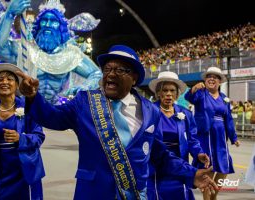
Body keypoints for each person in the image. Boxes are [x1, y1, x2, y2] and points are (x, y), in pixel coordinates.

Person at [17, 45, 217, 199]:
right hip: (93, 193)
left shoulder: (150, 111)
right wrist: (33, 97)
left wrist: (192, 174)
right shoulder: (85, 102)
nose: (111, 74)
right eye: (107, 69)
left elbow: (160, 155)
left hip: (134, 193)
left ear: (134, 78)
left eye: (120, 70)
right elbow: (52, 117)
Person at [0, 0, 102, 104]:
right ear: (38, 25)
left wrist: (84, 88)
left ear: (61, 27)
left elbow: (96, 74)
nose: (48, 25)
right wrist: (9, 14)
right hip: (26, 107)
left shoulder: (70, 54)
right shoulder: (25, 48)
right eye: (44, 21)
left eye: (53, 21)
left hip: (56, 109)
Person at [0, 63, 45, 200]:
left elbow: (39, 136)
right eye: (0, 79)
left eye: (9, 79)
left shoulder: (27, 106)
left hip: (24, 167)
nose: (4, 82)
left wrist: (21, 138)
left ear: (17, 85)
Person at [147, 71, 210, 200]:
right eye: (165, 90)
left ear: (177, 94)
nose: (169, 94)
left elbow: (192, 140)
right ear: (158, 93)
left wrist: (199, 153)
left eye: (172, 91)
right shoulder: (149, 111)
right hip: (156, 164)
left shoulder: (185, 113)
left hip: (180, 164)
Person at [185, 66, 240, 200]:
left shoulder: (224, 98)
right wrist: (193, 88)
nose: (211, 79)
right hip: (205, 136)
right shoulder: (201, 93)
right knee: (208, 169)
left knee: (223, 168)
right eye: (209, 76)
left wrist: (233, 137)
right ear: (205, 79)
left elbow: (229, 119)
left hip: (220, 138)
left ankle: (213, 196)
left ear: (220, 81)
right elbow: (189, 97)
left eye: (215, 77)